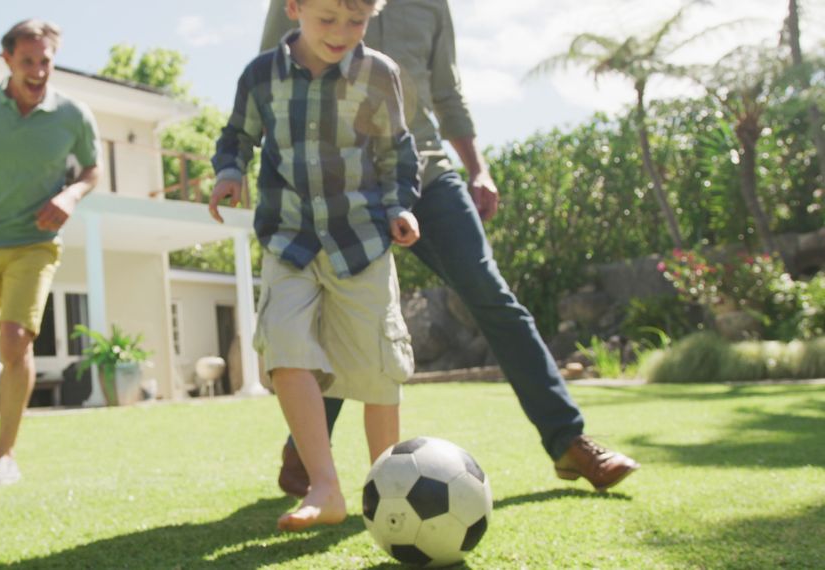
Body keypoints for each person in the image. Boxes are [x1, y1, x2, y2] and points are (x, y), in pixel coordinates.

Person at [262, 0, 640, 495]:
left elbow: (445, 91)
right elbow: (273, 75)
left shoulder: (431, 5)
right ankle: (307, 449)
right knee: (342, 307)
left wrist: (477, 167)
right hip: (339, 179)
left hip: (425, 171)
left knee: (488, 290)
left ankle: (568, 440)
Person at [210, 0, 420, 530]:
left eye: (357, 21)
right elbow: (238, 134)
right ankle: (325, 485)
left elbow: (395, 152)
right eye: (327, 19)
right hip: (289, 238)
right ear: (295, 7)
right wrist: (230, 172)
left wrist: (400, 207)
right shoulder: (261, 74)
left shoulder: (379, 74)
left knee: (376, 372)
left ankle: (386, 493)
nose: (342, 33)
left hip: (361, 240)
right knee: (284, 346)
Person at [0, 19, 102, 485]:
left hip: (35, 241)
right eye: (27, 61)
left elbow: (92, 168)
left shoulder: (73, 114)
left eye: (45, 61)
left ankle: (4, 454)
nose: (37, 71)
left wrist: (70, 196)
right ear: (7, 59)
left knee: (15, 340)